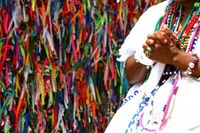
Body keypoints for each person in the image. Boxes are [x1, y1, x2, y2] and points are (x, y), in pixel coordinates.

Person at [105, 0, 200, 132]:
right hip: (143, 113)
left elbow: (174, 56)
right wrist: (148, 53)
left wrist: (175, 57)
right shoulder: (156, 14)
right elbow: (131, 77)